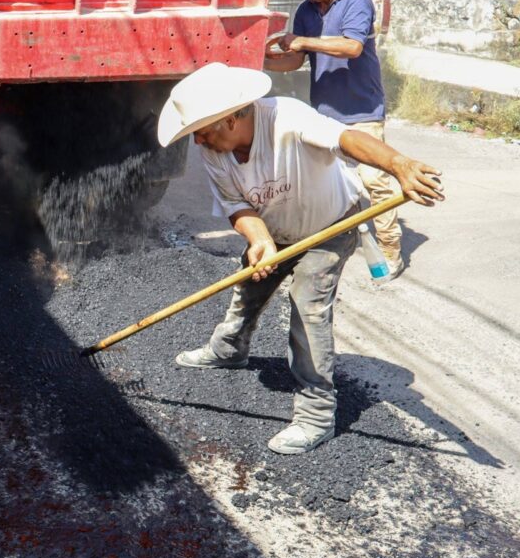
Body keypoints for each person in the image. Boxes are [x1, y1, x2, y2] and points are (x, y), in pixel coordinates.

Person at [158, 63, 444, 454]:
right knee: (250, 284)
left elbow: (346, 138)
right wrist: (260, 241)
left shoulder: (286, 118)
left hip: (331, 223)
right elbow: (236, 204)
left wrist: (399, 165)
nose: (198, 142)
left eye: (203, 131)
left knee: (308, 305)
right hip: (275, 226)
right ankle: (228, 349)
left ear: (230, 119)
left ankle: (316, 414)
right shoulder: (215, 150)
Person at [265, 0, 405, 280]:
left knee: (375, 181)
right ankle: (329, 241)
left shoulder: (356, 0)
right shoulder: (306, 11)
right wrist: (261, 59)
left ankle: (390, 250)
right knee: (324, 182)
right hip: (324, 114)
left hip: (362, 110)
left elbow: (352, 46)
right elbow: (295, 60)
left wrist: (303, 42)